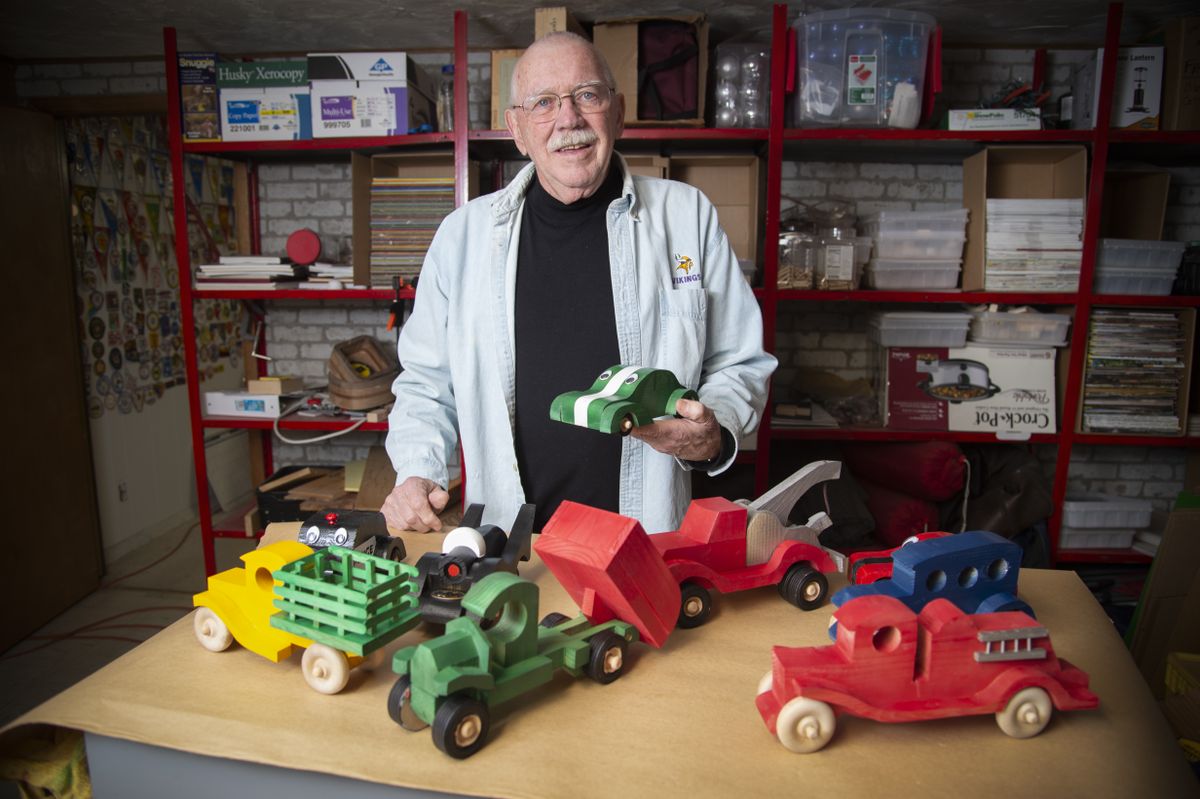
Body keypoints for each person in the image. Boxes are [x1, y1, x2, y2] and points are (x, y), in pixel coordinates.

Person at [382, 32, 775, 535]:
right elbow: (425, 383)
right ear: (517, 130)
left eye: (587, 95)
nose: (568, 119)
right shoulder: (463, 237)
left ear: (618, 113)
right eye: (544, 103)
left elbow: (739, 361)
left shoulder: (686, 217)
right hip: (511, 544)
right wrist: (418, 472)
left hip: (646, 536)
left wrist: (714, 431)